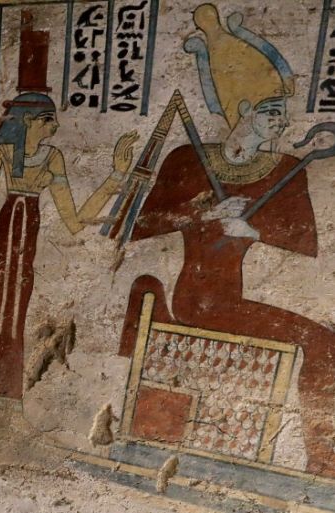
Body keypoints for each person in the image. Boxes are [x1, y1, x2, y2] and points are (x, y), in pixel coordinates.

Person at [118, 3, 335, 477]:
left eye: (283, 117)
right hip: (198, 299)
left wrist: (252, 231)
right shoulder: (188, 159)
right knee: (323, 342)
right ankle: (325, 463)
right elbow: (138, 224)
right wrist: (204, 214)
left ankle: (321, 461)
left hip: (236, 297)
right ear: (243, 110)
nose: (281, 125)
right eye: (271, 113)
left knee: (324, 339)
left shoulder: (284, 170)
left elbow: (307, 244)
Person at [0, 91, 136, 402]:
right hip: (3, 238)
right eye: (49, 120)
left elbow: (74, 220)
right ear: (28, 121)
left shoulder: (53, 157)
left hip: (27, 243)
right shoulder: (1, 153)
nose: (56, 126)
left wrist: (115, 175)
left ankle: (8, 399)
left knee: (16, 318)